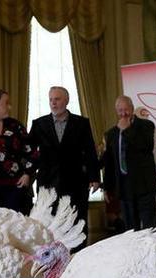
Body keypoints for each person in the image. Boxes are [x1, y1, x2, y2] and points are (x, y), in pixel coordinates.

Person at [29, 86, 100, 248]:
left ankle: (78, 257)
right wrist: (27, 175)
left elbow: (90, 151)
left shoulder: (82, 123)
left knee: (77, 219)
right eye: (51, 99)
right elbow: (30, 154)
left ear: (66, 101)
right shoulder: (39, 124)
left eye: (57, 99)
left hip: (75, 181)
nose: (53, 103)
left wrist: (95, 177)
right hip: (48, 181)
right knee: (49, 221)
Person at [103, 95, 156, 231]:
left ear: (132, 109)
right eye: (120, 110)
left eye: (126, 110)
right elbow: (109, 162)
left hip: (144, 185)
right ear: (116, 111)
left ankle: (151, 251)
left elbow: (146, 146)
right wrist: (107, 186)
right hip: (124, 187)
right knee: (130, 229)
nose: (123, 114)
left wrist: (127, 130)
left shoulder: (146, 126)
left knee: (149, 227)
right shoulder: (111, 134)